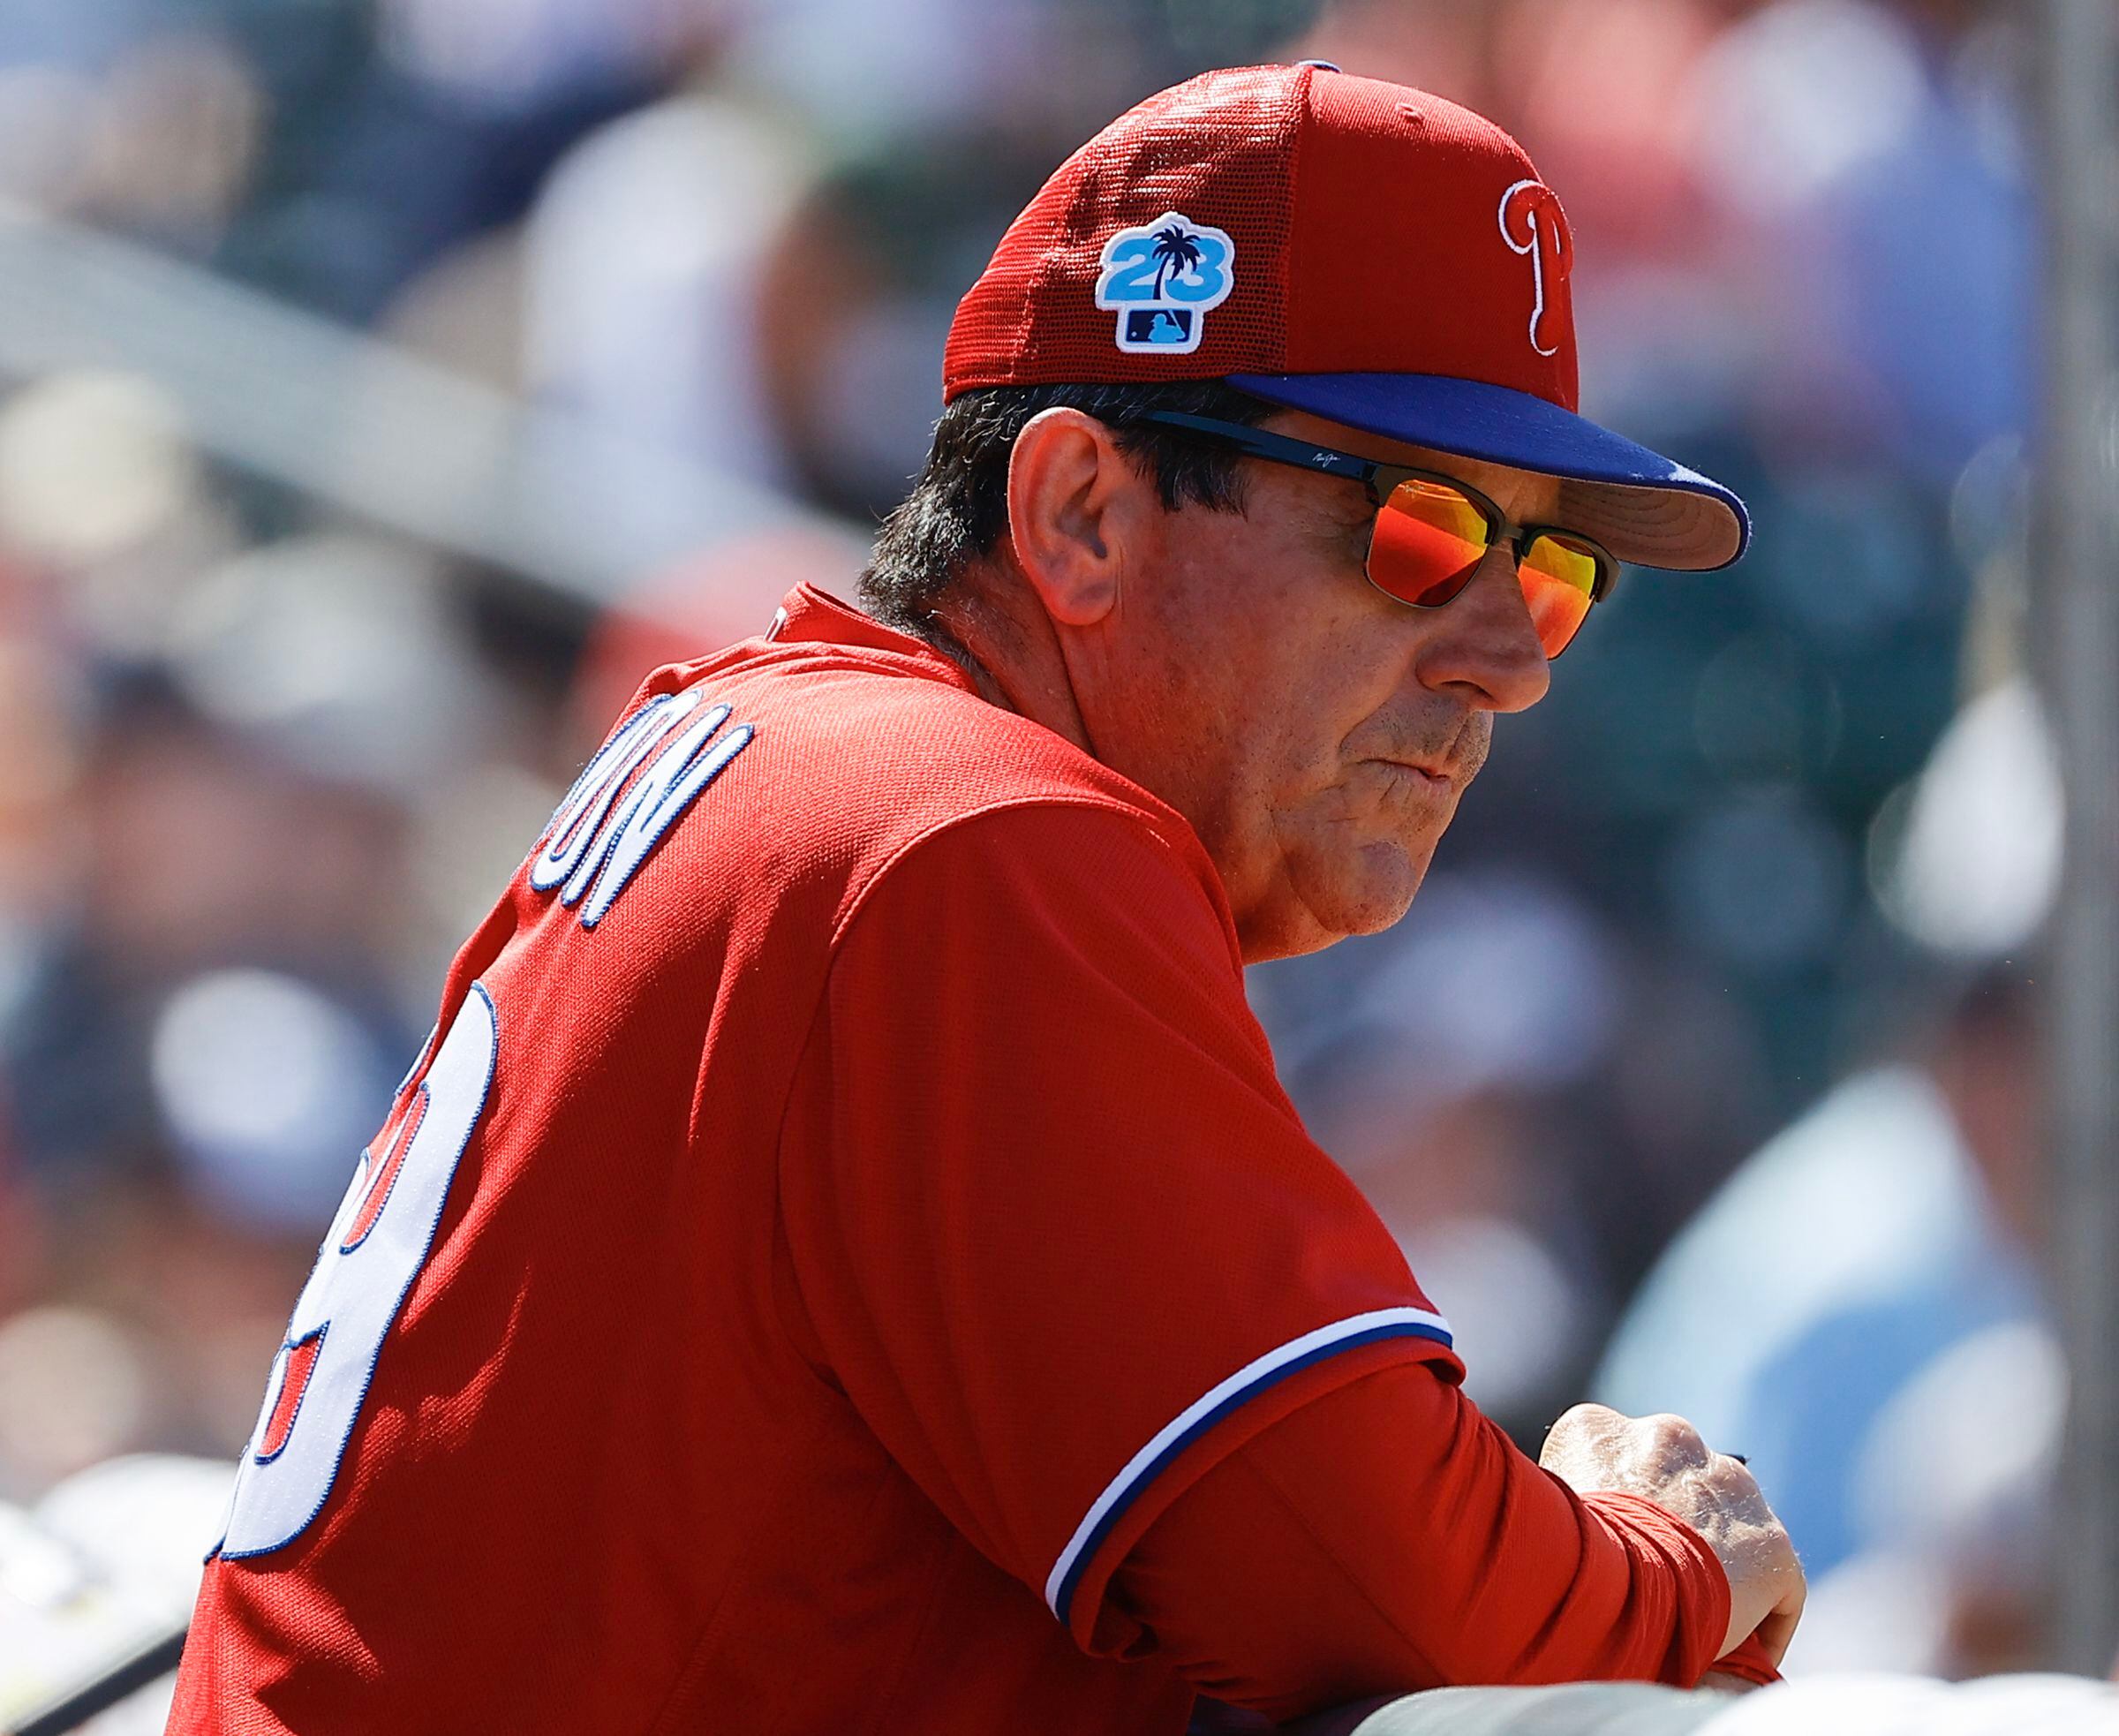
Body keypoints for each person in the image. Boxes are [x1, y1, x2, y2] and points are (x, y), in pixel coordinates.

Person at [168, 63, 1802, 1733]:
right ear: (1081, 511)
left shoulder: (795, 756)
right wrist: (1667, 1554)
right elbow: (1390, 1589)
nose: (1511, 659)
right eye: (1421, 532)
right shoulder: (969, 838)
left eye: (1549, 569)